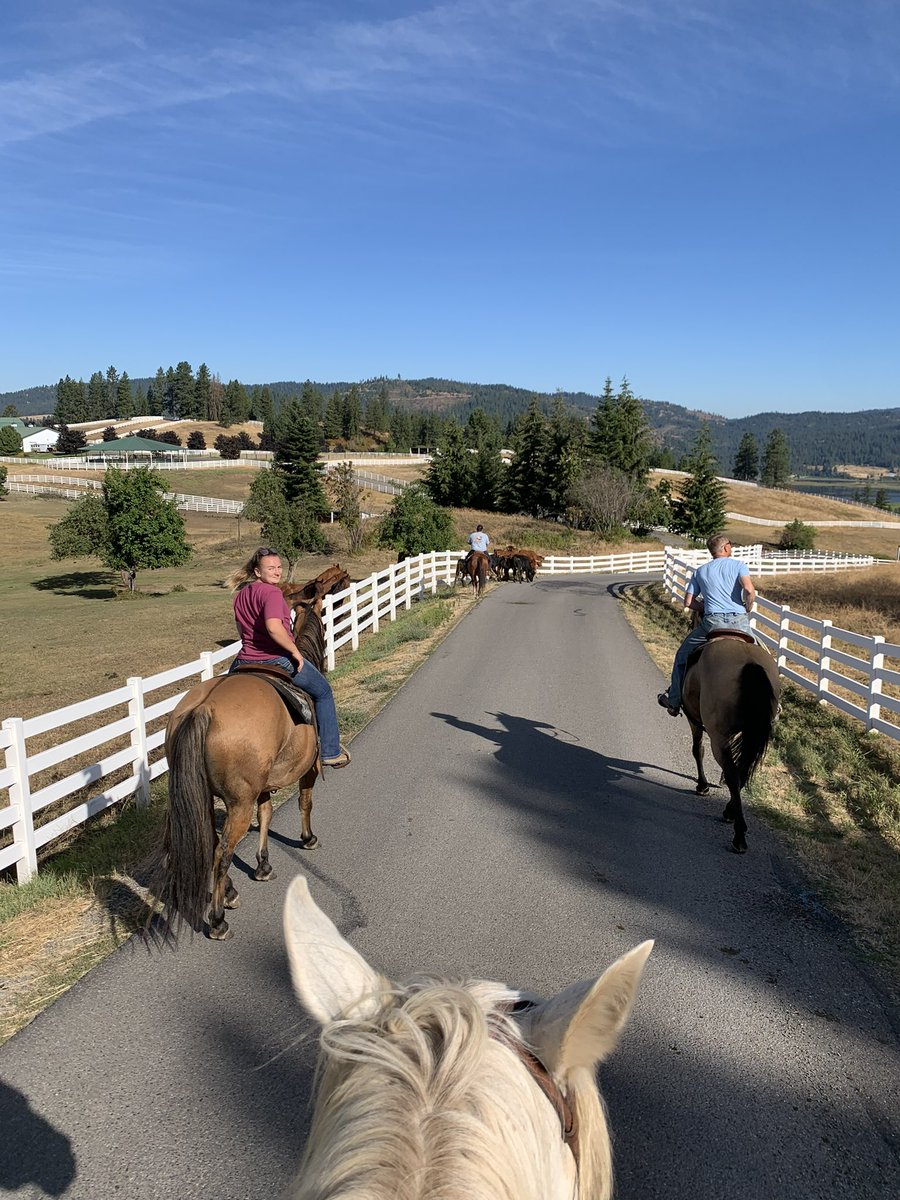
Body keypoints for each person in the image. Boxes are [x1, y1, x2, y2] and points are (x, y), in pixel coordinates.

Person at [228, 547, 351, 767]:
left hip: (244, 660)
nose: (277, 572)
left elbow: (241, 629)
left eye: (279, 567)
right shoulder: (272, 593)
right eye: (270, 568)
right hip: (274, 658)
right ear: (257, 572)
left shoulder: (241, 595)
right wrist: (294, 651)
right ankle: (330, 751)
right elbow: (274, 628)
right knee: (323, 691)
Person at [658, 533, 757, 717]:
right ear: (726, 548)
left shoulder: (700, 571)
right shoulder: (738, 565)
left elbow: (688, 602)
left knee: (682, 656)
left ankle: (673, 701)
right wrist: (747, 607)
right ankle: (774, 704)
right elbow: (749, 590)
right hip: (739, 622)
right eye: (730, 545)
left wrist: (703, 605)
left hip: (712, 624)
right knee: (761, 655)